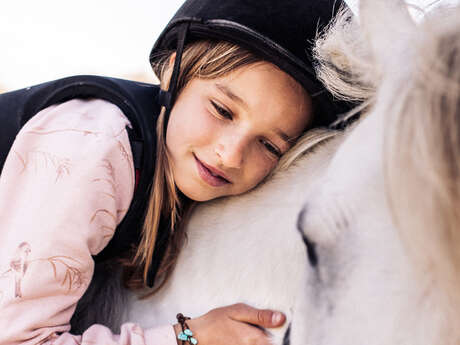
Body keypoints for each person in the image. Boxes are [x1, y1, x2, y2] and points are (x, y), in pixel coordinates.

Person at [0, 0, 352, 344]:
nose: (230, 155)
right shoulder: (95, 146)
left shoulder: (175, 173)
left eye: (270, 145)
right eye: (222, 110)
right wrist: (187, 337)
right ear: (173, 71)